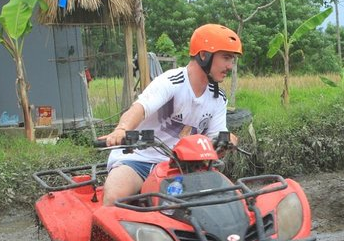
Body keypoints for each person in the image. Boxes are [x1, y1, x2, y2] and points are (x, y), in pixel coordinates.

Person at [100, 23, 242, 206]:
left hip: (183, 168)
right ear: (204, 55)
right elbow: (140, 107)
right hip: (139, 160)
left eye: (232, 59)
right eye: (226, 58)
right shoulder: (172, 81)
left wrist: (228, 141)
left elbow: (217, 136)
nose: (230, 66)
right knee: (114, 198)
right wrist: (122, 129)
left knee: (232, 202)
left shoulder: (218, 98)